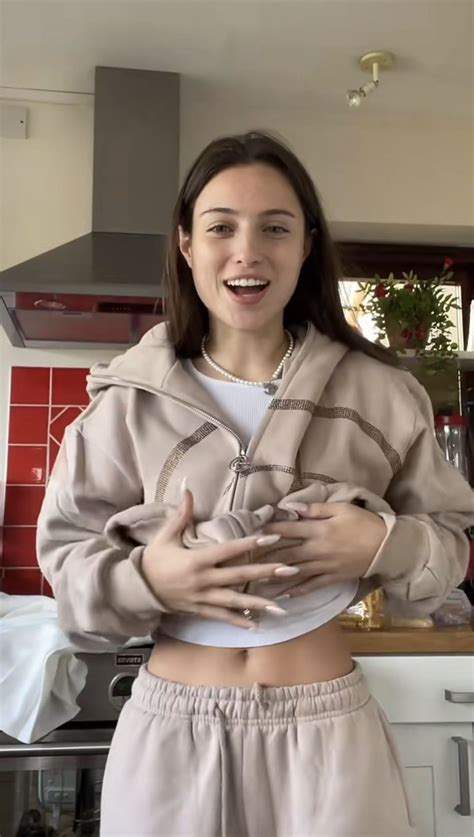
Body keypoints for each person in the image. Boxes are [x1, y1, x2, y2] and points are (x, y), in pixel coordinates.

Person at [37, 130, 474, 837]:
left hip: (329, 736)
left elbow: (450, 548)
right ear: (186, 245)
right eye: (221, 228)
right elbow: (67, 569)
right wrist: (149, 576)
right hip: (170, 736)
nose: (248, 250)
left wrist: (383, 543)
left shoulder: (384, 394)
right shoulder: (125, 401)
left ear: (306, 244)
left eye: (276, 227)